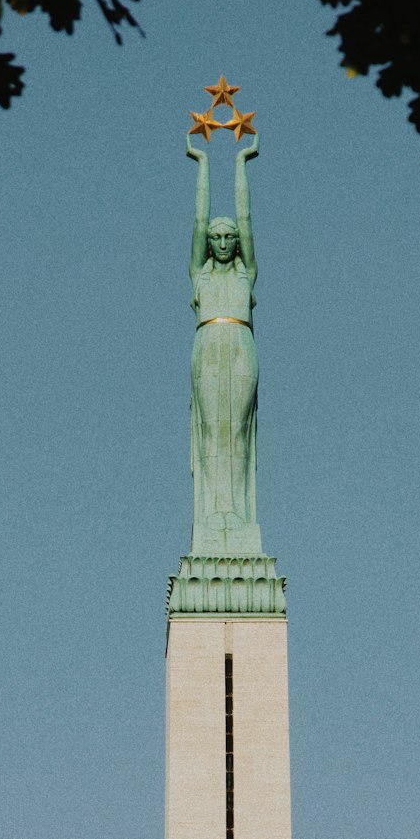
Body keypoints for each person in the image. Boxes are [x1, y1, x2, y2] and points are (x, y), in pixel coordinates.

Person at [186, 132, 262, 557]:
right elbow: (197, 222)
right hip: (207, 345)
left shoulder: (244, 276)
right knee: (211, 431)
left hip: (240, 343)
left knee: (237, 431)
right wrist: (201, 163)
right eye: (216, 237)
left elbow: (247, 219)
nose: (220, 241)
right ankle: (213, 516)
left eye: (227, 237)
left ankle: (236, 514)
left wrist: (240, 162)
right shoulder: (200, 275)